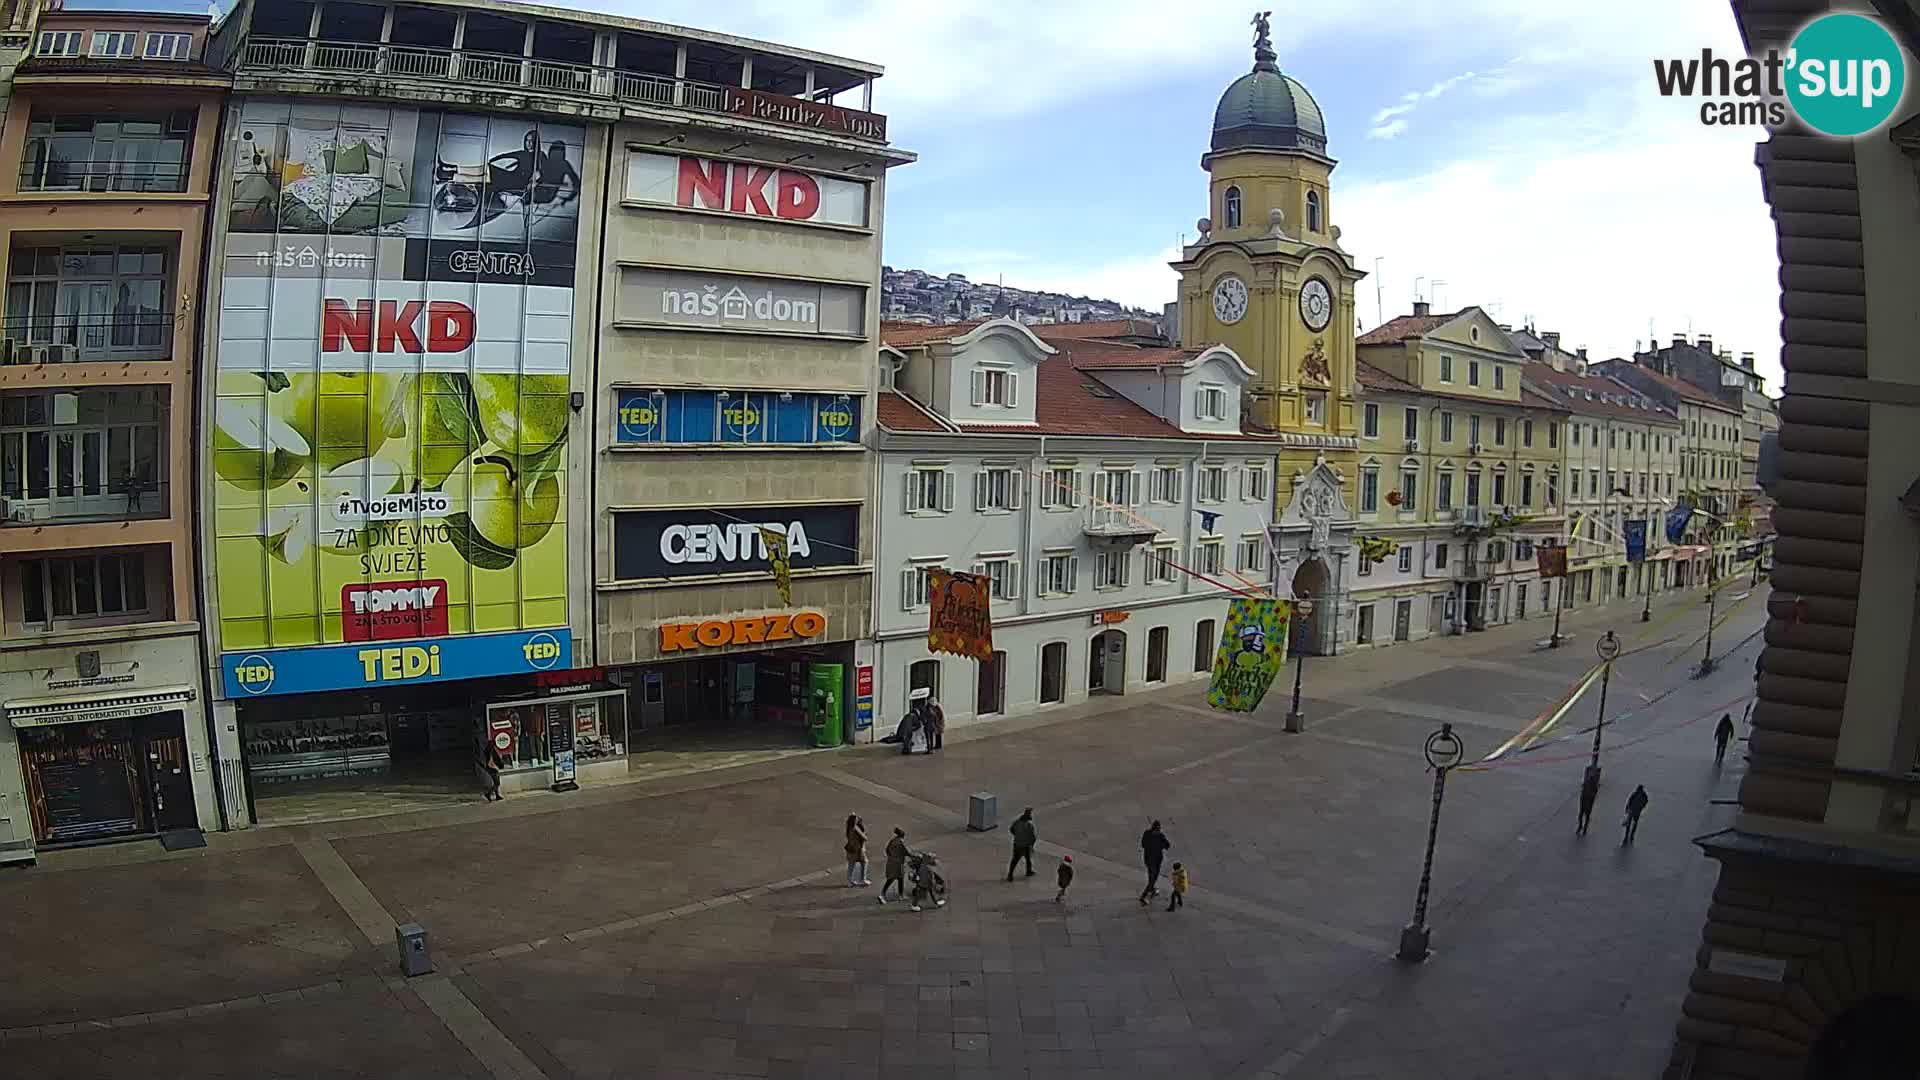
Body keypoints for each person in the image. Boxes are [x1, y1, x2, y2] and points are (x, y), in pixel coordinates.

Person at [1139, 820, 1171, 905]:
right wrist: (1159, 846)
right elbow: (1167, 845)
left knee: (1151, 877)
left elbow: (1143, 844)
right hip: (1154, 861)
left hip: (1151, 860)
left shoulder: (1148, 834)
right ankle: (1143, 896)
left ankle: (1152, 889)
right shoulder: (1159, 836)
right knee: (1153, 878)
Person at [879, 828, 910, 904]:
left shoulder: (892, 841)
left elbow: (887, 850)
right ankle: (898, 895)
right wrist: (915, 856)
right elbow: (906, 852)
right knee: (899, 878)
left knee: (893, 878)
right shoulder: (900, 842)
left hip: (891, 862)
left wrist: (891, 857)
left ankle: (886, 893)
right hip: (898, 863)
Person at [1007, 807, 1037, 881]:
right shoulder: (1029, 825)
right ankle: (1028, 871)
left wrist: (1017, 835)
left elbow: (1011, 829)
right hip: (1025, 845)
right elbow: (1033, 837)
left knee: (1015, 860)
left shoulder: (1017, 822)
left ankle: (1010, 874)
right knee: (1027, 858)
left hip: (1017, 844)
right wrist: (1031, 845)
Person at [476, 735, 505, 802]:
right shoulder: (491, 750)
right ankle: (488, 794)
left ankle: (497, 795)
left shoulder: (489, 750)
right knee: (497, 782)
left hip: (490, 767)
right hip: (491, 768)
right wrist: (495, 767)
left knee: (496, 782)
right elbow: (491, 761)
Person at [844, 814, 870, 888]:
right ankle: (863, 879)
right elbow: (864, 838)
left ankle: (850, 881)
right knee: (864, 862)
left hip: (850, 848)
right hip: (858, 849)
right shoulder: (856, 828)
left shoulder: (848, 828)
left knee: (851, 865)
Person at [1576, 770, 1599, 836]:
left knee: (1586, 816)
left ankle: (1584, 828)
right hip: (1584, 801)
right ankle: (1580, 826)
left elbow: (1594, 794)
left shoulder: (1594, 785)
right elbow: (1582, 791)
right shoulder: (1586, 782)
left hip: (1588, 802)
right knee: (1581, 815)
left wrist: (1590, 797)